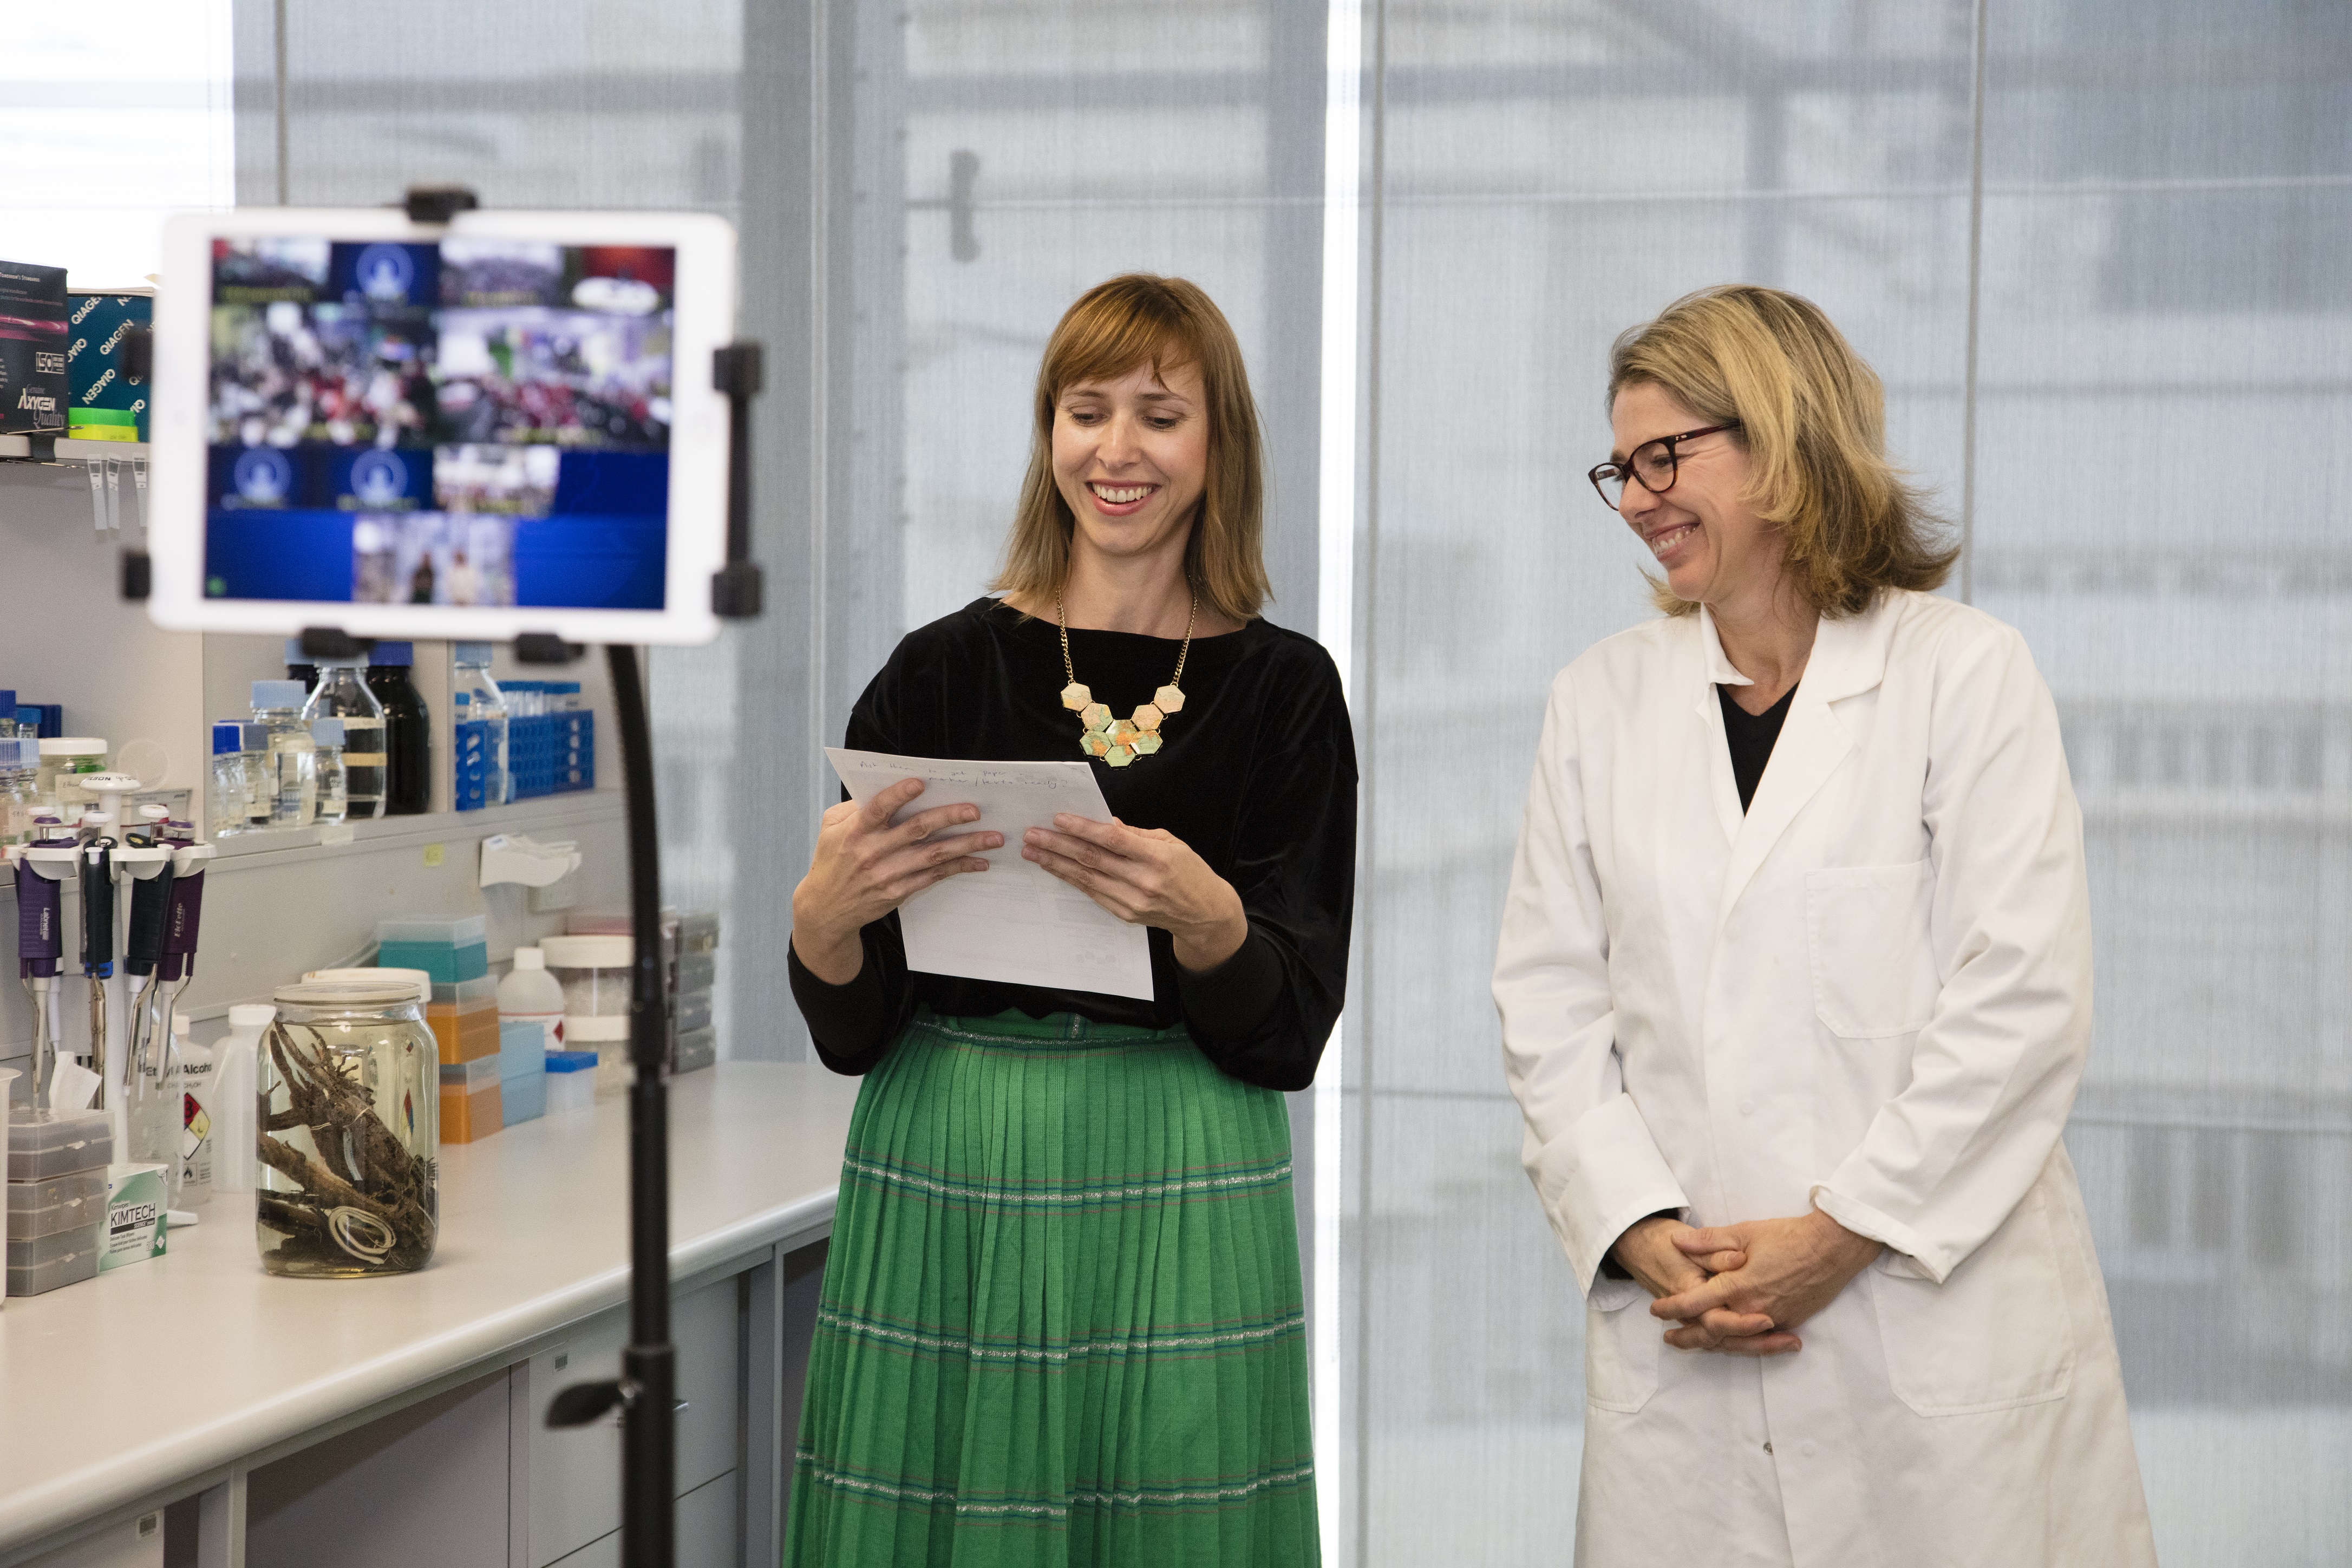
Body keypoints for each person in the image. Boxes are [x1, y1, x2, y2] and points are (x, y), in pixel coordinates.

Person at [1493, 285, 2155, 1564]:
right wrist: (1633, 1224)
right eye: (1619, 469)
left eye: (1667, 456)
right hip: (1682, 1332)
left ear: (1788, 442)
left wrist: (1839, 1232)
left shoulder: (1963, 674)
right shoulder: (1600, 700)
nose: (1637, 498)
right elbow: (1549, 1002)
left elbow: (2020, 1001)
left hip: (1923, 1323)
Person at [785, 274, 1352, 1565]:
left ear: (1219, 448)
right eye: (1084, 410)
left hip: (1183, 1159)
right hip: (950, 1146)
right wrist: (821, 921)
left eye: (1160, 414)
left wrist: (1213, 925)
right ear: (1049, 436)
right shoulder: (938, 670)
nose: (1117, 449)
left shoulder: (1284, 689)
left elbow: (1291, 1032)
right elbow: (854, 1024)